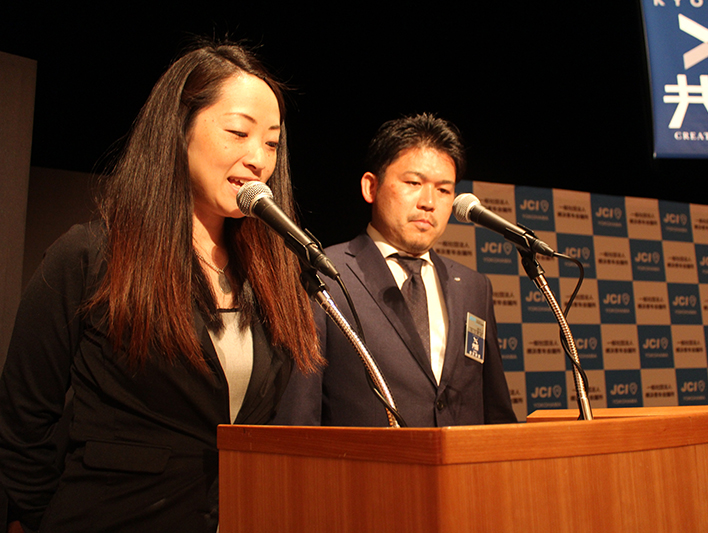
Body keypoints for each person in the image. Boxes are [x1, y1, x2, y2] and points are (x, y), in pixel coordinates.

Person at [0, 41, 322, 533]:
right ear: (179, 129)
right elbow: (24, 420)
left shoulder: (271, 275)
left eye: (272, 143)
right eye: (239, 133)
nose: (259, 158)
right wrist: (46, 518)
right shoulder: (90, 256)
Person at [275, 113, 516, 427]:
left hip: (462, 459)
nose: (428, 202)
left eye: (444, 190)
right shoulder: (323, 276)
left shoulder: (473, 286)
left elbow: (496, 410)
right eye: (414, 183)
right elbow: (299, 414)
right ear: (370, 187)